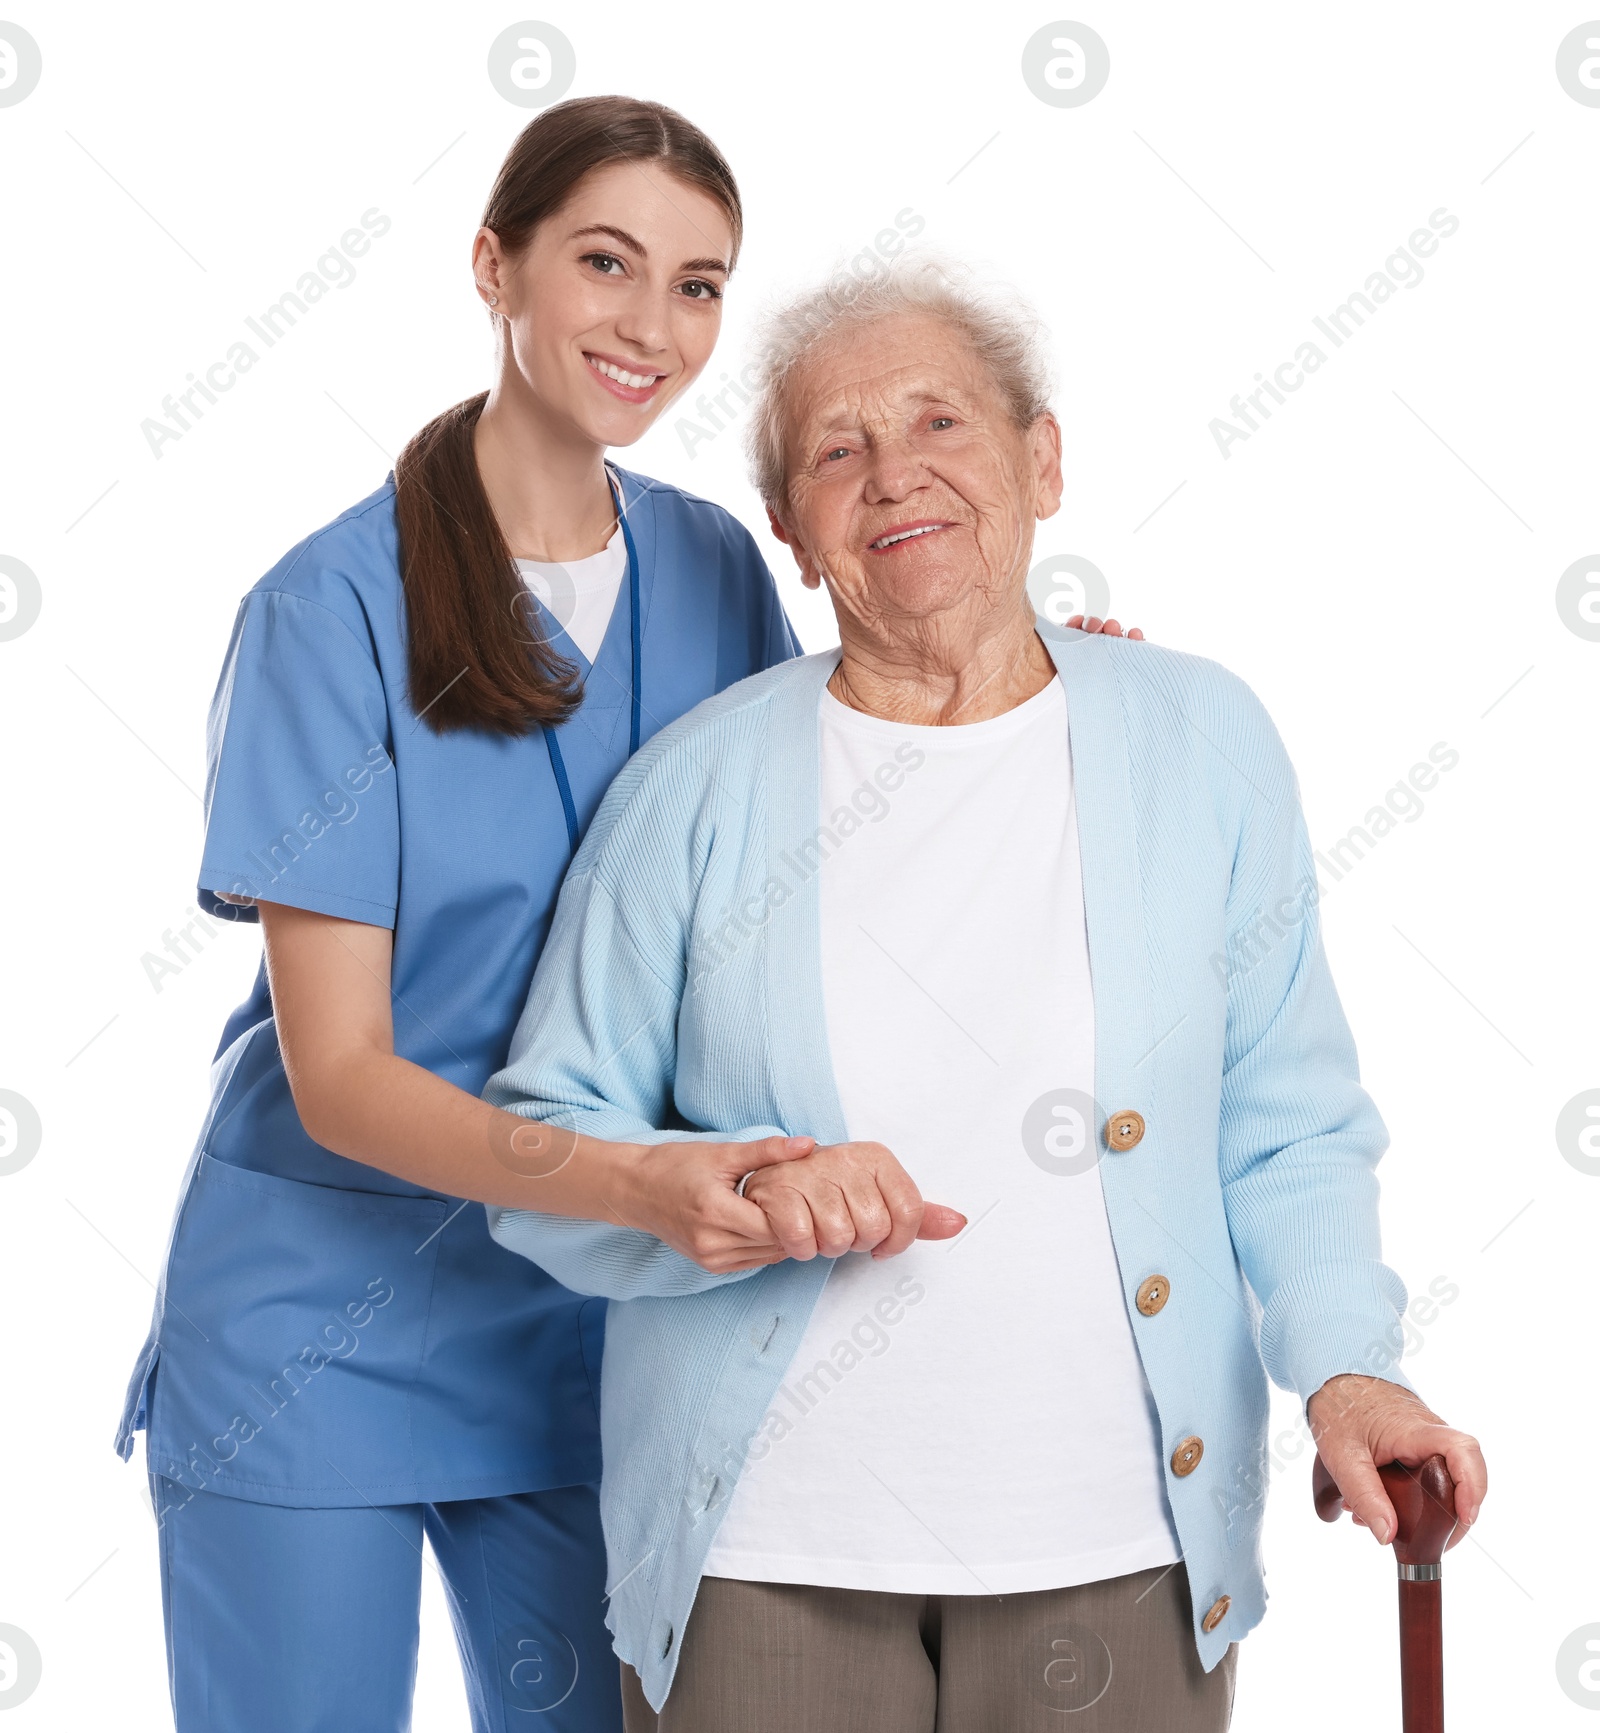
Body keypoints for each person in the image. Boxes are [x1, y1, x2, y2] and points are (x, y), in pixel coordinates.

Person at [483, 258, 1490, 1732]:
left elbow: (1288, 1123)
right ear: (793, 529)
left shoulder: (1202, 741)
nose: (897, 475)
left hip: (1122, 1545)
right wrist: (732, 1185)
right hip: (766, 1555)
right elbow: (534, 1152)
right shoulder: (690, 786)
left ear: (1042, 460)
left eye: (943, 424)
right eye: (838, 449)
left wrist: (1348, 1371)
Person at [116, 95, 939, 1733]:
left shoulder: (713, 570)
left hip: (593, 1329)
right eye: (607, 263)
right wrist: (634, 1180)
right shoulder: (329, 608)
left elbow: (827, 837)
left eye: (700, 286)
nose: (652, 326)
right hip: (313, 1328)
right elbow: (340, 1070)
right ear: (496, 267)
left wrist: (1044, 687)